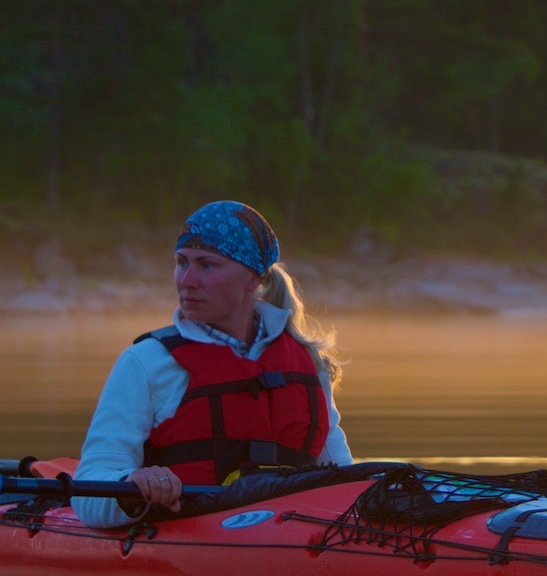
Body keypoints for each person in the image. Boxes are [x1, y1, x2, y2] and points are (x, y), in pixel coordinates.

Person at [72, 201, 351, 528]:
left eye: (207, 265)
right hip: (188, 536)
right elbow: (88, 492)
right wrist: (135, 485)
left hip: (294, 537)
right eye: (181, 262)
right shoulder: (146, 363)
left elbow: (344, 481)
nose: (187, 281)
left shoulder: (308, 362)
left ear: (253, 277)